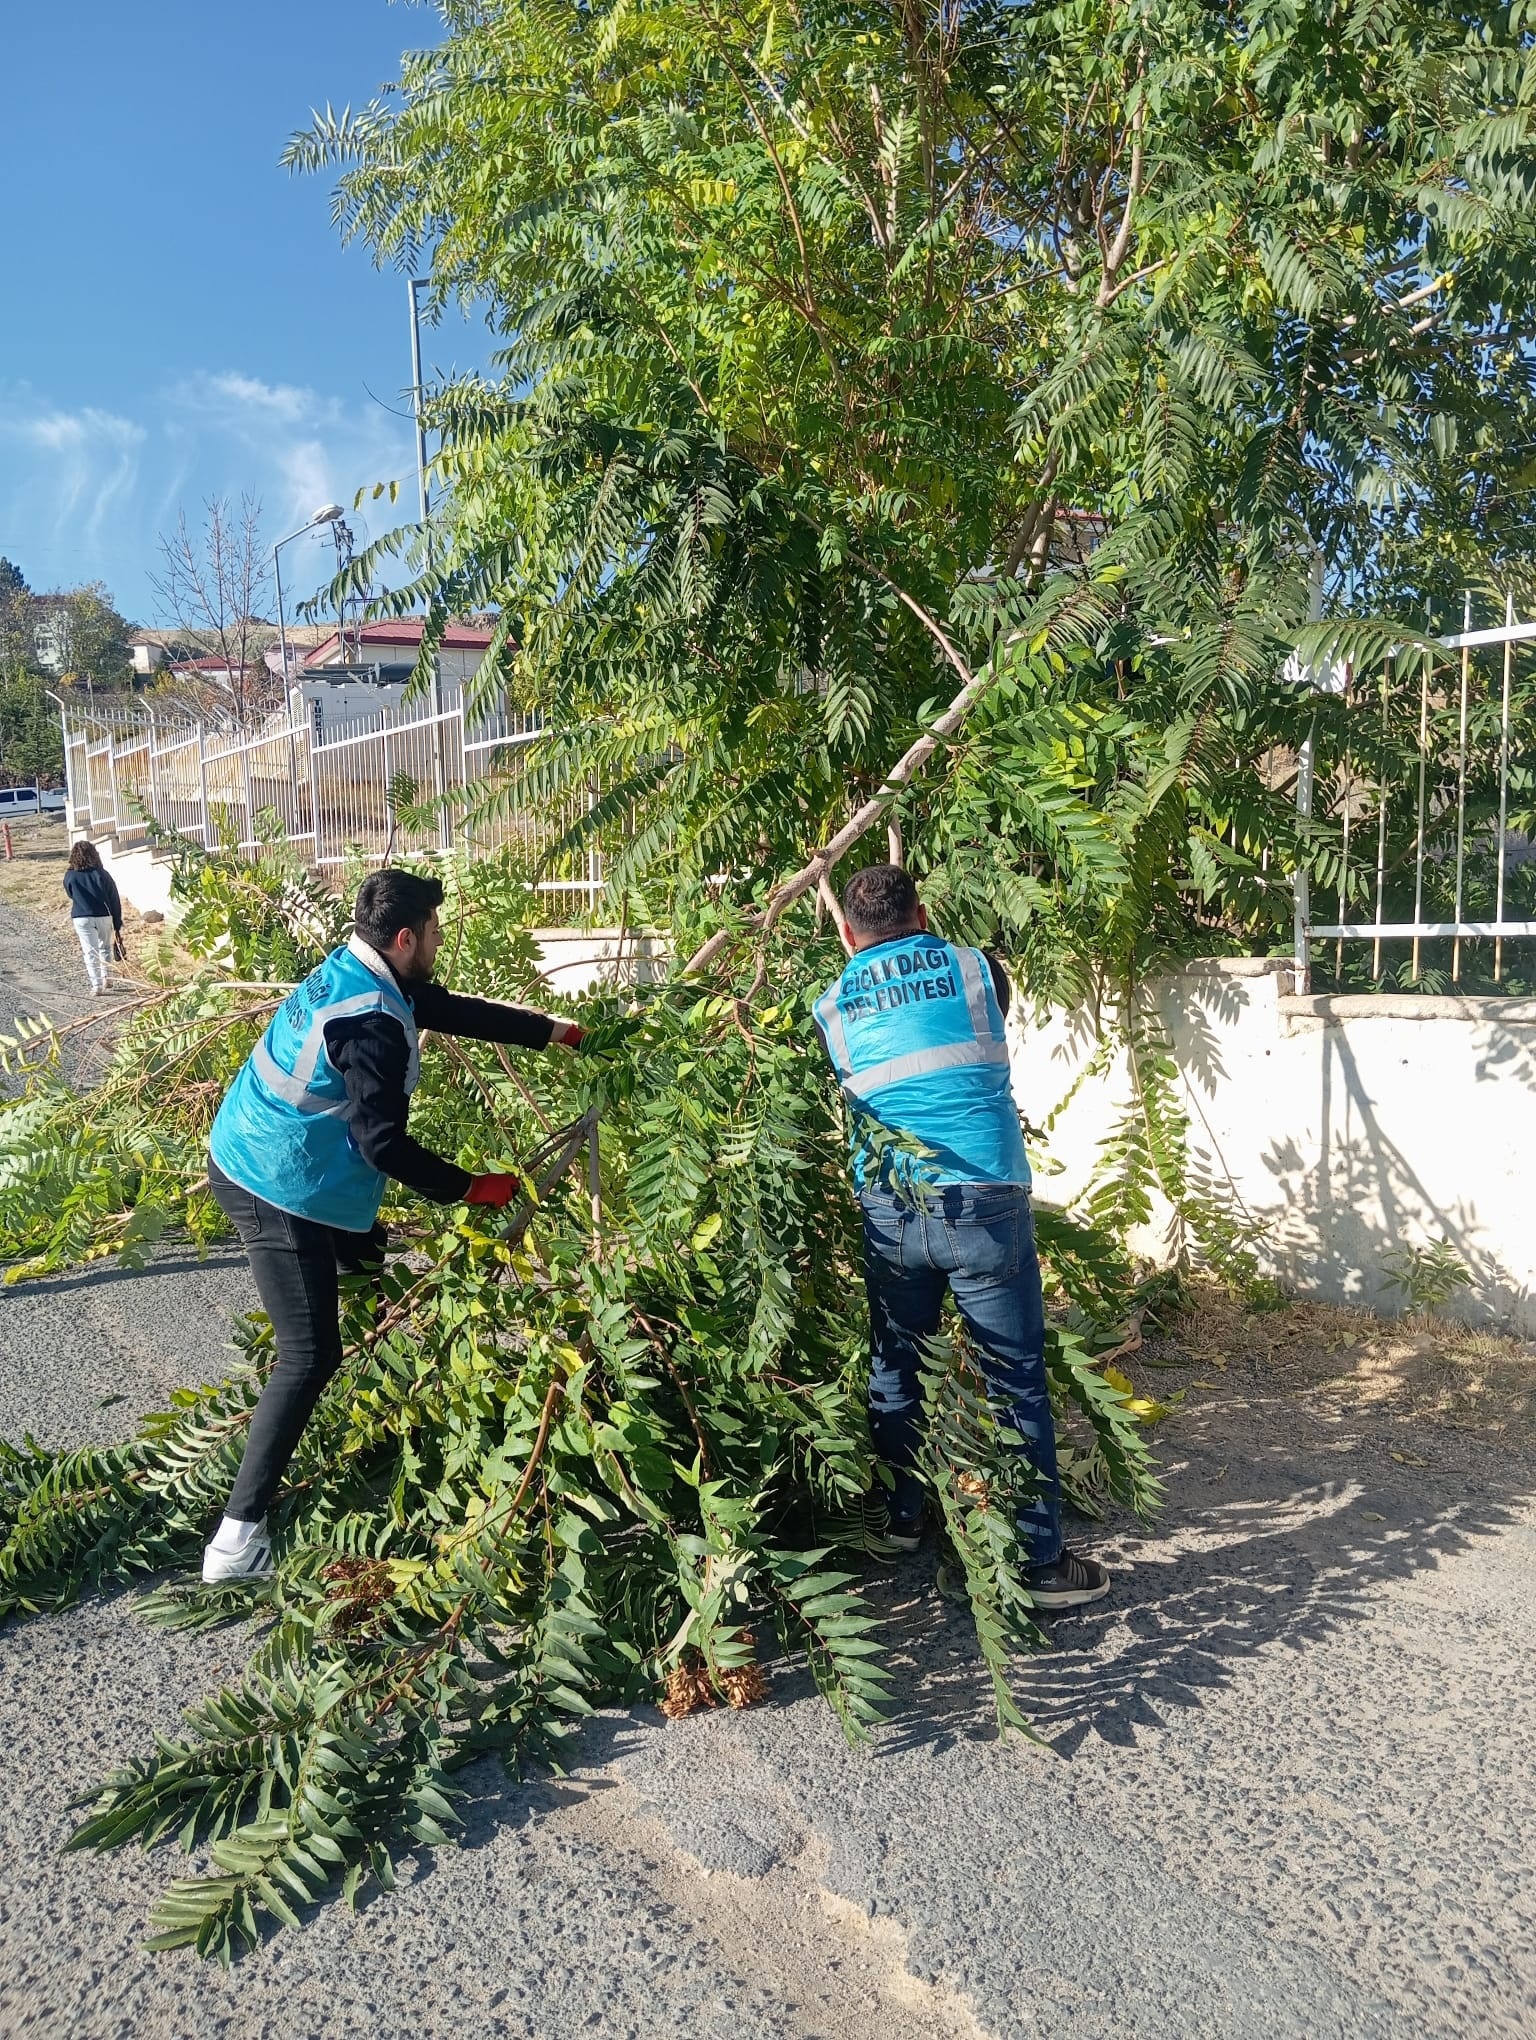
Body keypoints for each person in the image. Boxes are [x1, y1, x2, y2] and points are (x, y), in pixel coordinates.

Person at [200, 867, 584, 1584]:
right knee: (309, 1353)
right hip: (273, 1182)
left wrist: (551, 1032)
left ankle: (375, 1412)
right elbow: (382, 1145)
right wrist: (472, 1188)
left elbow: (440, 1007)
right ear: (406, 938)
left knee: (365, 1258)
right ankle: (235, 1542)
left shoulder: (364, 969)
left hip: (258, 1146)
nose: (441, 940)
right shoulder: (373, 1022)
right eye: (436, 931)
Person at [812, 864, 1109, 1611]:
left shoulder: (830, 1005)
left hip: (889, 1206)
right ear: (922, 914)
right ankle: (1040, 1564)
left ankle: (902, 1520)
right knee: (1013, 1373)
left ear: (847, 935)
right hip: (983, 1199)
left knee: (896, 1361)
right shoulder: (978, 969)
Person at [62, 839, 124, 997]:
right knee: (105, 947)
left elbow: (70, 894)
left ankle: (96, 986)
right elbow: (114, 898)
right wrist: (117, 922)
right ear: (94, 855)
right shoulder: (102, 874)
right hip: (104, 915)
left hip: (81, 916)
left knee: (90, 951)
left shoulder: (70, 875)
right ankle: (107, 977)